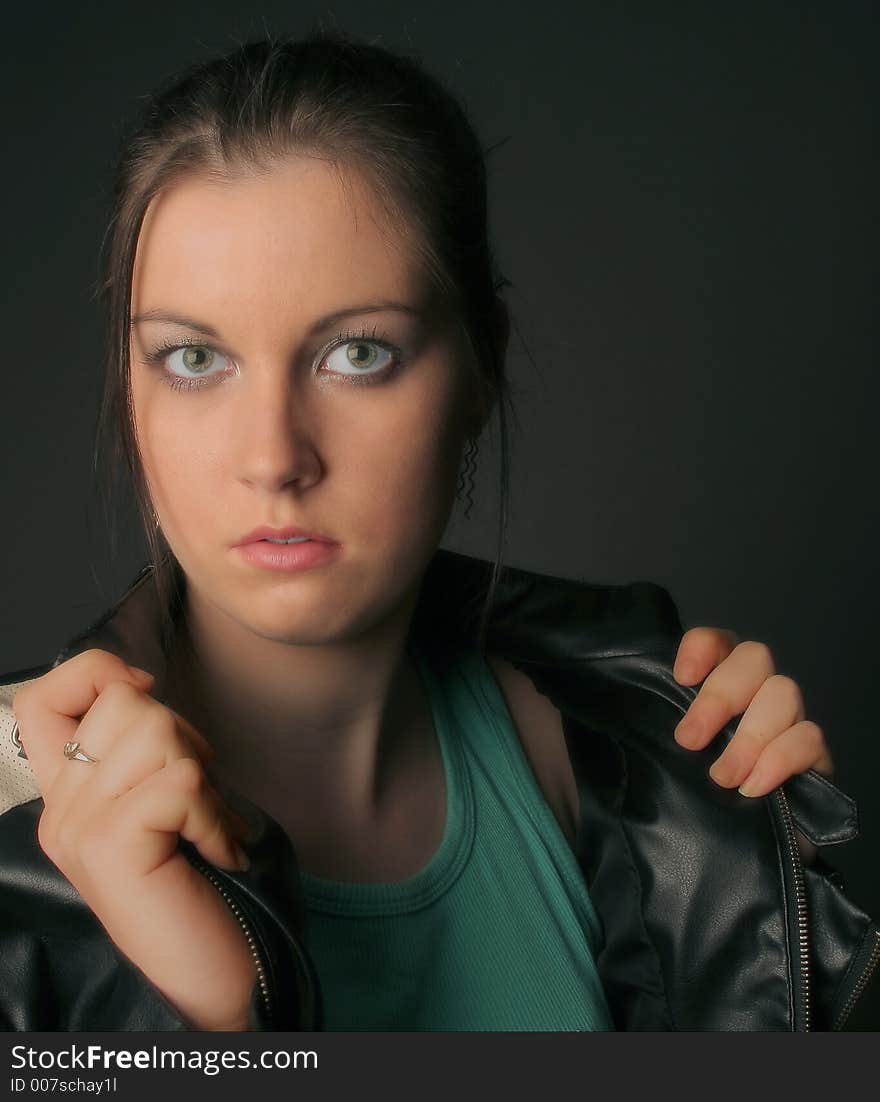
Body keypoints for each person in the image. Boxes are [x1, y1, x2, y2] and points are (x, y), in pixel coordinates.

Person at [1, 28, 876, 1033]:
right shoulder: (12, 835)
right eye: (195, 359)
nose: (274, 456)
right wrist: (201, 1022)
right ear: (129, 386)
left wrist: (767, 881)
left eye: (357, 352)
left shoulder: (646, 763)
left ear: (478, 369)